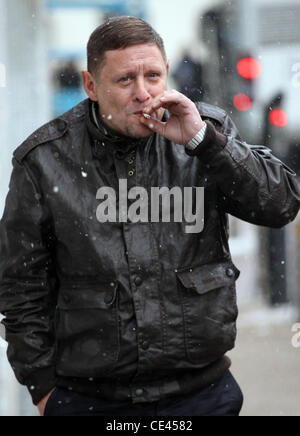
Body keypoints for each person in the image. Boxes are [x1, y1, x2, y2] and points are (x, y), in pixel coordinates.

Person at [0, 16, 299, 417]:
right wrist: (43, 388)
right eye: (125, 80)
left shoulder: (205, 132)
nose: (143, 93)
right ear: (91, 86)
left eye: (153, 76)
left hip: (201, 395)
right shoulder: (45, 160)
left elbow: (280, 204)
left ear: (168, 73)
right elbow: (20, 286)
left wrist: (203, 141)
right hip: (89, 400)